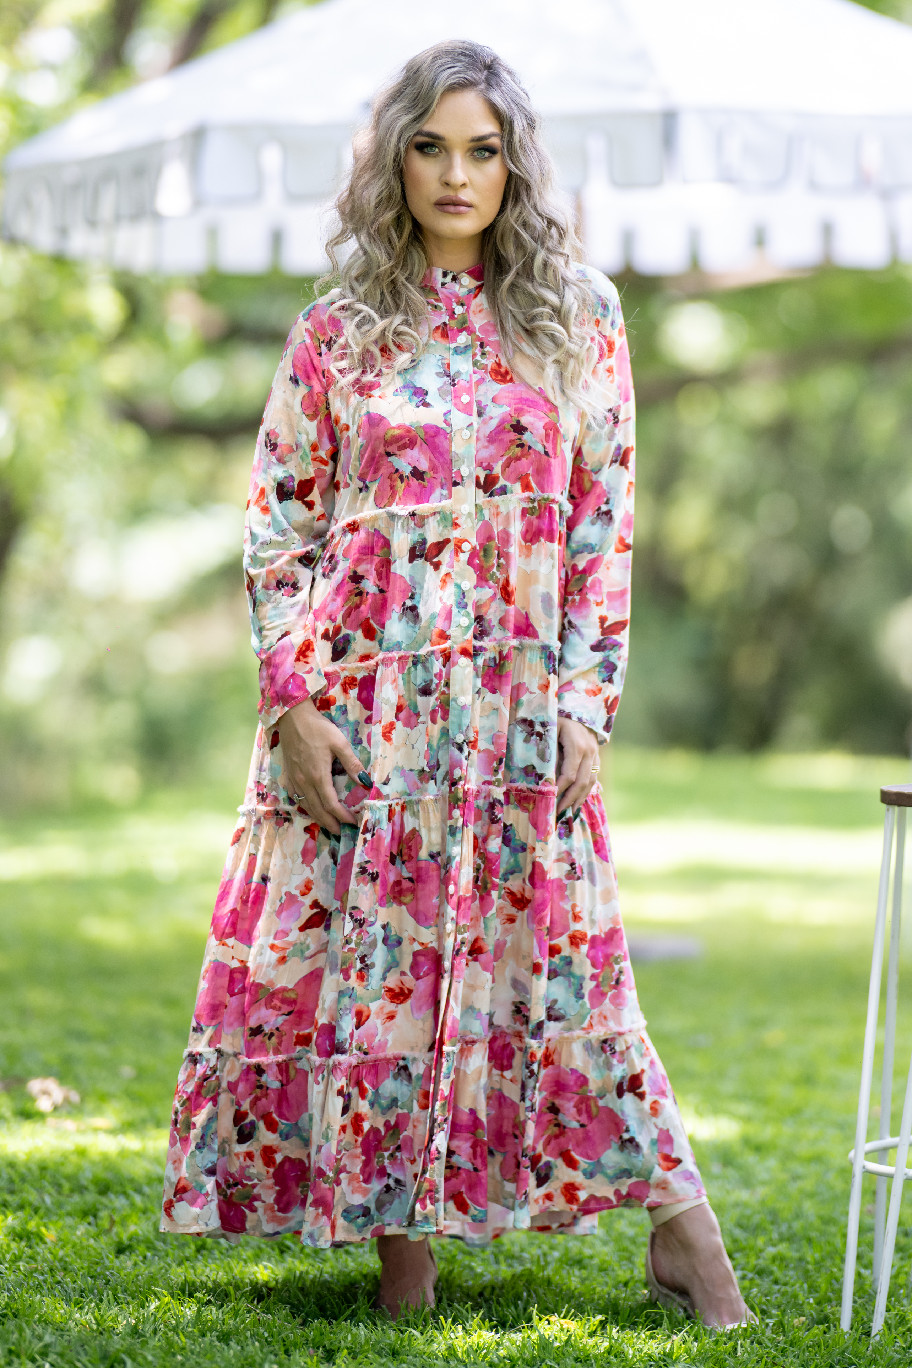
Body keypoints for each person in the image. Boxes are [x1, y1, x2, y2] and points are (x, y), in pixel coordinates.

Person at [159, 37, 754, 1332]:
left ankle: (684, 1232)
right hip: (367, 708)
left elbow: (603, 523)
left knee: (578, 971)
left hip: (521, 711)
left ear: (516, 164)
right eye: (429, 146)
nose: (455, 173)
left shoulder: (579, 315)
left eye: (482, 150)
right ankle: (404, 1258)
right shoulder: (338, 329)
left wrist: (587, 702)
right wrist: (293, 702)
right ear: (394, 160)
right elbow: (278, 525)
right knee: (378, 965)